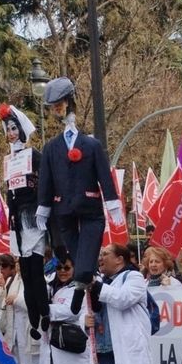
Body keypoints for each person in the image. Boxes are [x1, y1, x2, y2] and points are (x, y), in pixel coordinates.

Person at [35, 77, 123, 313]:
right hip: (63, 210)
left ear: (68, 102)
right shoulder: (51, 148)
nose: (56, 109)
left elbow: (104, 174)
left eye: (58, 104)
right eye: (53, 106)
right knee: (79, 260)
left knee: (83, 265)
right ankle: (87, 284)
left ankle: (79, 289)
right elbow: (45, 180)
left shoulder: (91, 145)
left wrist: (113, 203)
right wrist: (43, 208)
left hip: (90, 208)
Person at [0, 102, 51, 338]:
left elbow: (46, 182)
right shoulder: (8, 160)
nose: (11, 133)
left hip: (33, 217)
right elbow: (10, 190)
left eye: (14, 128)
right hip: (17, 221)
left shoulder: (34, 155)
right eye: (7, 129)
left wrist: (43, 208)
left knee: (35, 269)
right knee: (26, 273)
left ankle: (44, 313)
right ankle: (34, 320)